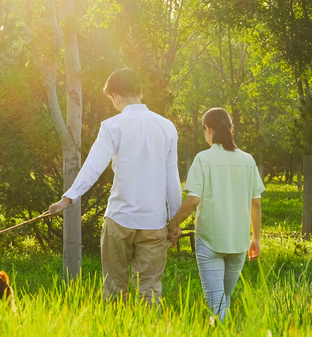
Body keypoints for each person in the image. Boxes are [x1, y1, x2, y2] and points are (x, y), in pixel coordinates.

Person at [45, 68, 181, 305]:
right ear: (140, 92)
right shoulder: (167, 127)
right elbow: (172, 176)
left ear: (114, 95)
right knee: (149, 290)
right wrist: (175, 221)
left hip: (119, 220)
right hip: (154, 221)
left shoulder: (112, 126)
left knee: (114, 288)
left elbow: (93, 167)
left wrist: (67, 199)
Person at [168, 108, 264, 321]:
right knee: (224, 300)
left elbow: (193, 200)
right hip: (238, 242)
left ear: (207, 130)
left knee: (217, 303)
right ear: (231, 129)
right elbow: (255, 202)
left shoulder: (203, 159)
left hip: (210, 241)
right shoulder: (248, 160)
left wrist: (173, 224)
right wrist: (255, 238)